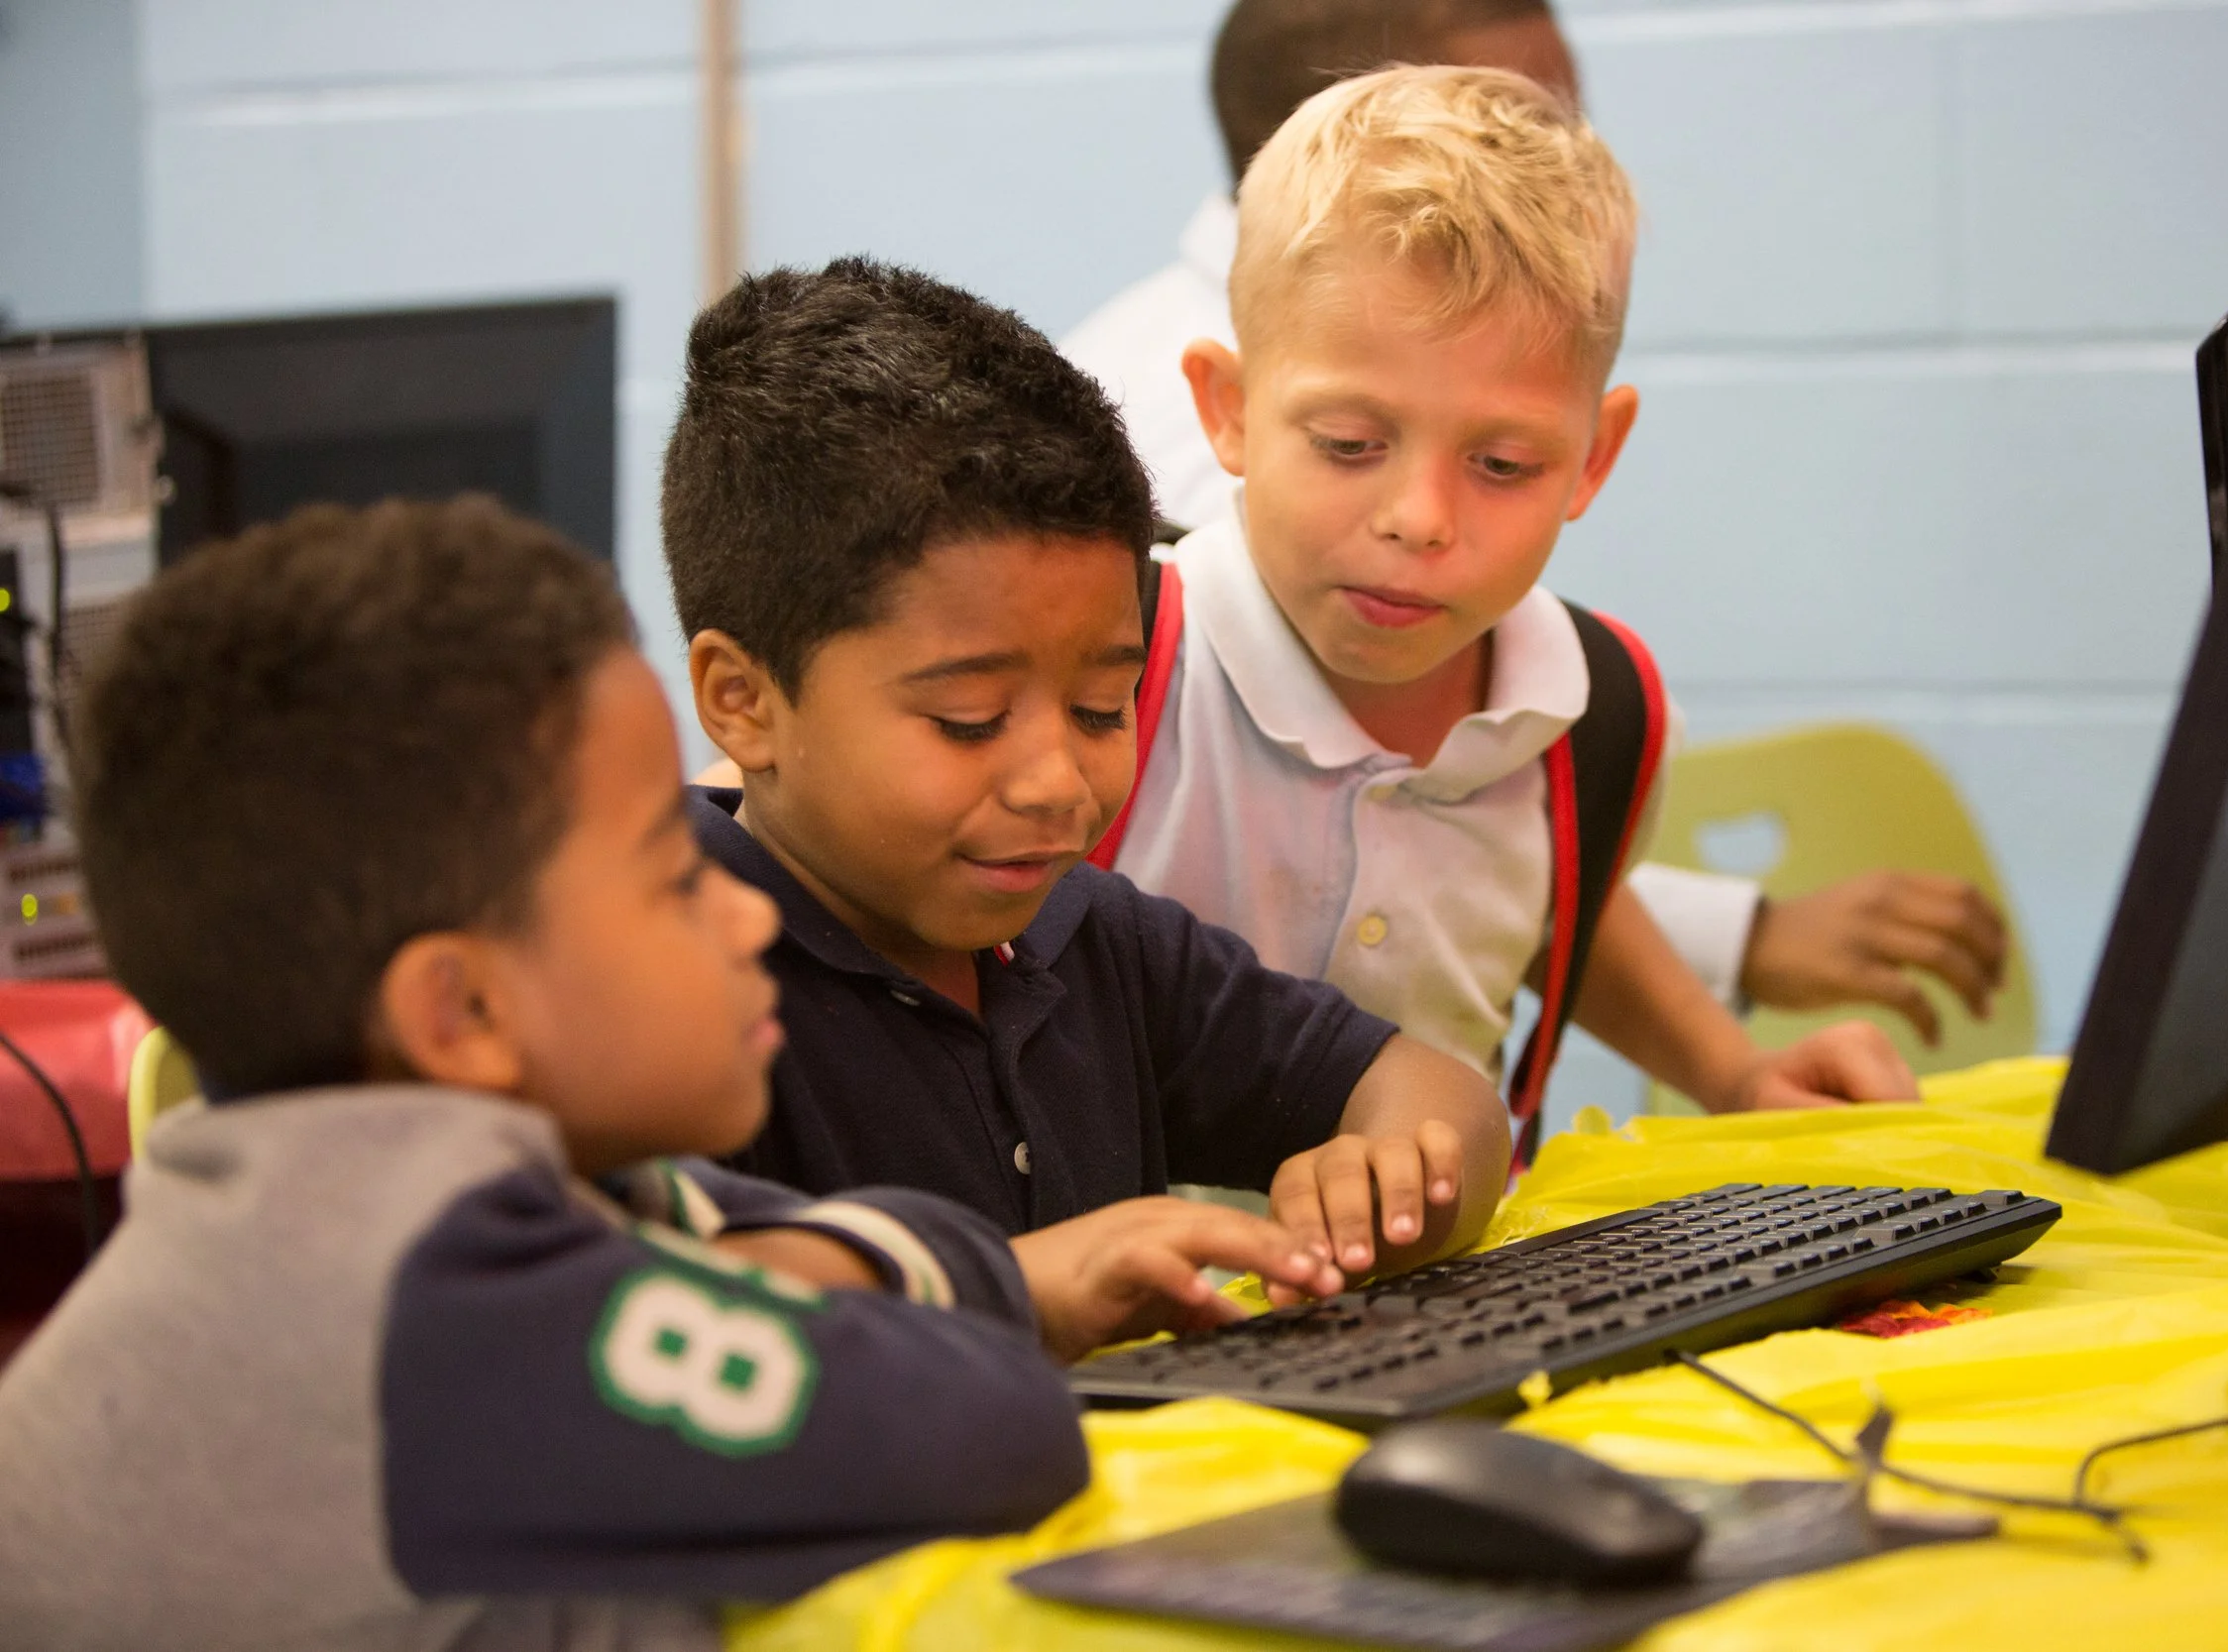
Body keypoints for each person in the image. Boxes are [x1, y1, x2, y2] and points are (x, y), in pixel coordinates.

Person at [0, 497, 1351, 1650]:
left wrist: (795, 1263)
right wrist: (878, 1272)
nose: (743, 914)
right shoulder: (444, 1300)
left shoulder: (285, 1209)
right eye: (667, 875)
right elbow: (998, 1429)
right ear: (459, 1010)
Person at [1061, 0, 2010, 1044]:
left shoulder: (1588, 699)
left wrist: (1730, 1067)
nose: (1420, 520)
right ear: (1229, 413)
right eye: (1346, 445)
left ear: (1590, 458)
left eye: (1503, 465)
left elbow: (1506, 875)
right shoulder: (1110, 564)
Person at [667, 260, 1510, 1286]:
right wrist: (1021, 1291)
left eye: (1101, 707)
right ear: (741, 699)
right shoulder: (664, 981)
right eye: (969, 720)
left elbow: (1438, 1094)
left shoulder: (1086, 939)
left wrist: (1396, 1177)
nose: (1057, 782)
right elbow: (648, 1313)